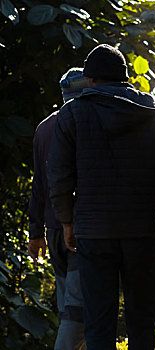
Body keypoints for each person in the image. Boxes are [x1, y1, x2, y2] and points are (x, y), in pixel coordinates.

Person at [46, 44, 155, 350]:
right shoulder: (154, 111)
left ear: (91, 80)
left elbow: (58, 176)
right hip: (144, 232)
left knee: (98, 321)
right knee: (141, 319)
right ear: (125, 78)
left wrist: (67, 222)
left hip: (94, 234)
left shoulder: (72, 113)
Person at [28, 67, 87, 350]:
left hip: (53, 230)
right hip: (78, 229)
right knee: (78, 308)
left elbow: (38, 184)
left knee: (68, 305)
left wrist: (35, 232)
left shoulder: (44, 127)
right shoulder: (84, 123)